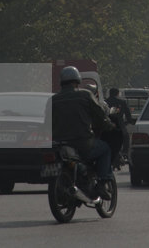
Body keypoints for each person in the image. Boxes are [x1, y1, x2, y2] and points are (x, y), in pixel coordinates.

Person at [51, 66, 114, 200]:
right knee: (105, 149)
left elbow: (46, 122)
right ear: (77, 80)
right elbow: (100, 115)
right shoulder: (85, 95)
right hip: (82, 143)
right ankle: (102, 183)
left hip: (58, 144)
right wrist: (109, 124)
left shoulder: (53, 100)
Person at [105, 87, 135, 165]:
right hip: (120, 125)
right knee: (126, 137)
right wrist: (129, 122)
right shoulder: (122, 102)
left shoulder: (105, 102)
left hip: (107, 126)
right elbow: (128, 115)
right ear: (118, 93)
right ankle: (124, 153)